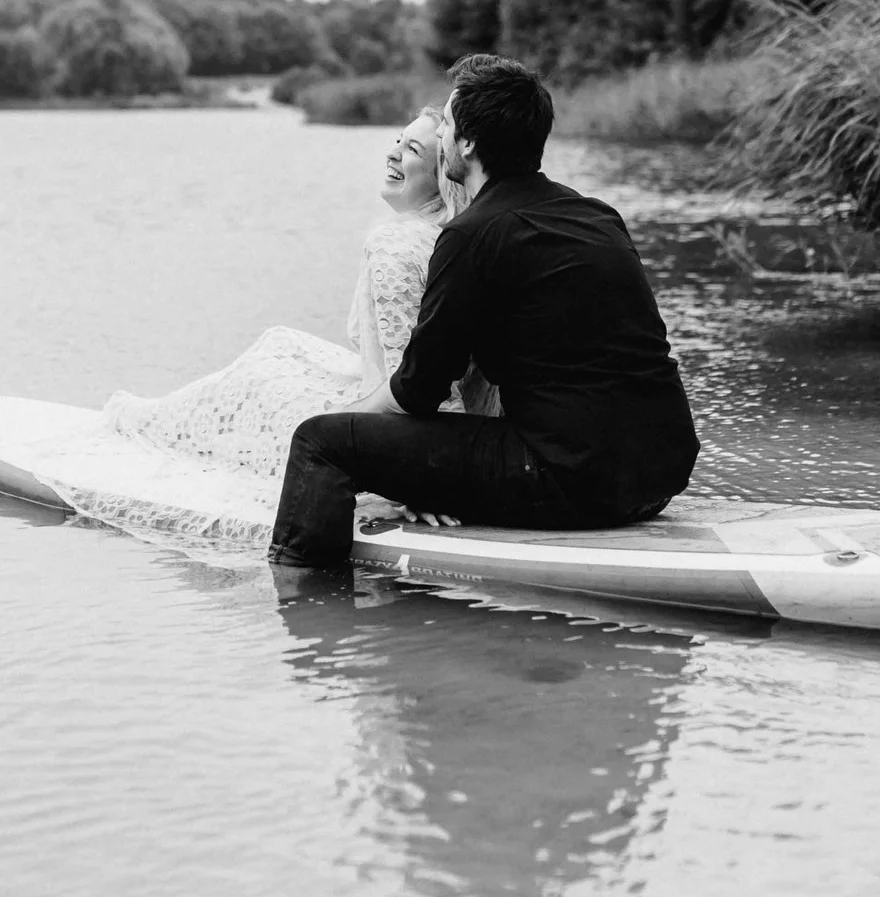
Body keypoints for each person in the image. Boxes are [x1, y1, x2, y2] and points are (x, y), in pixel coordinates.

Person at [267, 56, 700, 568]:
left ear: (467, 144)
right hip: (663, 472)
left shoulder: (471, 235)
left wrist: (353, 429)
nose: (443, 135)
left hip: (571, 481)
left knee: (318, 441)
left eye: (447, 124)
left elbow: (418, 389)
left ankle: (301, 602)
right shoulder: (597, 215)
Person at [34, 107, 493, 548]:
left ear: (441, 178)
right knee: (281, 351)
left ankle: (138, 420)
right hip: (406, 404)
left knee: (253, 388)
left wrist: (429, 477)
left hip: (384, 421)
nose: (392, 153)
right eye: (397, 139)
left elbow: (414, 382)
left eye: (411, 149)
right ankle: (154, 416)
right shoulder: (467, 236)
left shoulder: (396, 246)